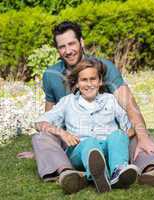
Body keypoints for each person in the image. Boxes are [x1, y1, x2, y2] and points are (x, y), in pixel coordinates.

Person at [18, 21, 154, 193]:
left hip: (109, 139)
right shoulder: (51, 76)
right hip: (74, 142)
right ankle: (68, 173)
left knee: (135, 133)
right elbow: (48, 115)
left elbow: (129, 106)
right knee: (41, 137)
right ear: (57, 50)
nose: (68, 50)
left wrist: (142, 136)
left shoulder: (103, 67)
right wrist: (48, 149)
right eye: (62, 46)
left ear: (81, 42)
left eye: (72, 43)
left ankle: (153, 170)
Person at [35, 58, 139, 193]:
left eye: (93, 79)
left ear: (100, 81)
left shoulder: (110, 100)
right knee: (90, 142)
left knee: (118, 135)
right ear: (77, 83)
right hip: (80, 150)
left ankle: (117, 172)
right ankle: (98, 174)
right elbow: (39, 123)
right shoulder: (67, 102)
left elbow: (130, 125)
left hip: (108, 149)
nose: (89, 84)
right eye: (84, 80)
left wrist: (124, 135)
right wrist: (62, 133)